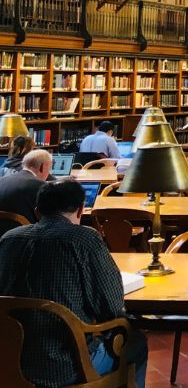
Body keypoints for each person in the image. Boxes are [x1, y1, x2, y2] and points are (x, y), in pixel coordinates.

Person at [0, 179, 149, 387]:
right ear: (80, 210)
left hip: (8, 360)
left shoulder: (8, 239)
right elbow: (112, 307)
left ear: (37, 211)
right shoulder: (85, 239)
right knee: (136, 342)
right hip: (65, 366)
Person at [0, 149, 51, 230]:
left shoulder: (2, 180)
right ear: (42, 167)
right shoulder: (41, 186)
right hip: (26, 238)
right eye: (49, 169)